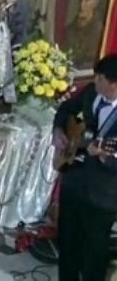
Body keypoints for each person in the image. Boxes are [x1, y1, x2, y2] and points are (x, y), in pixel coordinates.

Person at [51, 54, 117, 281]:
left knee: (94, 253)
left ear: (114, 84)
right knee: (67, 242)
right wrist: (59, 131)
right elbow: (65, 110)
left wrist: (104, 158)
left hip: (103, 195)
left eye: (99, 79)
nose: (94, 81)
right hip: (74, 179)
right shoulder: (91, 92)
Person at [63, 0, 104, 69]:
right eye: (80, 0)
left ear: (96, 2)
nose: (82, 4)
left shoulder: (101, 31)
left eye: (87, 0)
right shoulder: (69, 30)